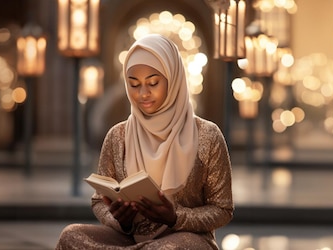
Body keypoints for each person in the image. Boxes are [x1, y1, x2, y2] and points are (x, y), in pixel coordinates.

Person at [56, 34, 233, 249]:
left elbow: (222, 209)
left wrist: (175, 217)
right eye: (134, 84)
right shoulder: (118, 136)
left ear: (173, 79)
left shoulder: (207, 135)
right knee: (71, 235)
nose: (143, 94)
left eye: (153, 83)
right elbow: (98, 200)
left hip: (185, 239)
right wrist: (120, 220)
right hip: (129, 237)